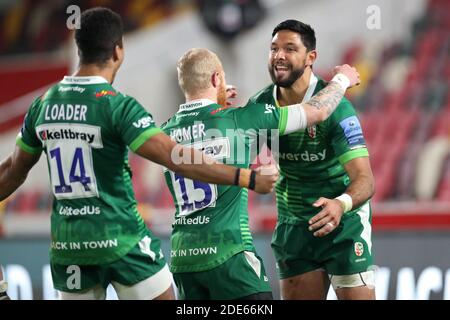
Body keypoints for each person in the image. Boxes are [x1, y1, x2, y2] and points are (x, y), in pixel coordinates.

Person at [0, 8, 278, 300]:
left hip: (70, 247)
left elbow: (12, 172)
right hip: (121, 241)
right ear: (118, 51)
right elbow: (176, 157)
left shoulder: (43, 104)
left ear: (78, 48)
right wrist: (245, 176)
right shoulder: (116, 106)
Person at [161, 48, 361, 300]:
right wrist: (341, 80)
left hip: (183, 261)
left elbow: (201, 132)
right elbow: (317, 111)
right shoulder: (240, 119)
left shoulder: (163, 132)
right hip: (230, 257)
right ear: (215, 79)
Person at [249, 20, 376, 300]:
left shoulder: (338, 108)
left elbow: (365, 180)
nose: (278, 55)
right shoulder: (259, 106)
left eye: (289, 48)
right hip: (294, 226)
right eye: (273, 49)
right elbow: (241, 160)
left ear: (311, 57)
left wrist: (341, 204)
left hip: (344, 225)